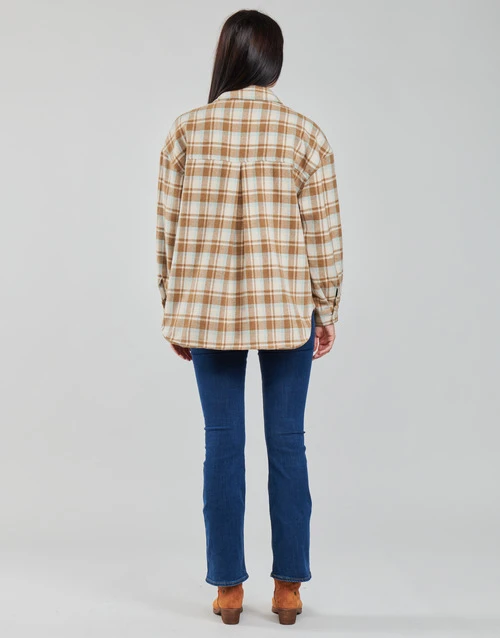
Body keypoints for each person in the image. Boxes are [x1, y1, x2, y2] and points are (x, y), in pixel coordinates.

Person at [155, 8, 343, 625]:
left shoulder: (187, 132)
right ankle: (287, 589)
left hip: (208, 313)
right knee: (288, 442)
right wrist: (327, 307)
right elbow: (324, 234)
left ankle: (228, 590)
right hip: (286, 310)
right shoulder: (304, 135)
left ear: (227, 57)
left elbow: (167, 231)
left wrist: (174, 306)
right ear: (273, 62)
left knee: (222, 443)